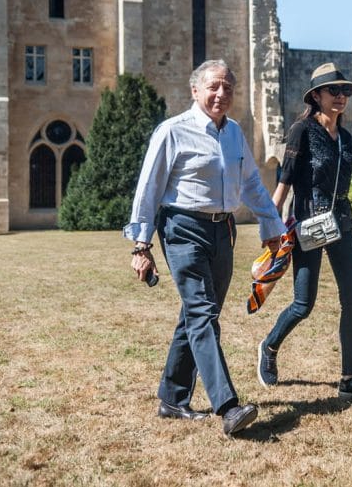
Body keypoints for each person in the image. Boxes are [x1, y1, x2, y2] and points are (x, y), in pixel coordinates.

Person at [124, 59, 287, 435]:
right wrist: (140, 245)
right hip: (182, 227)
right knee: (201, 311)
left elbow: (251, 185)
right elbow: (148, 188)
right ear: (195, 90)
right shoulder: (172, 131)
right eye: (214, 86)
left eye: (228, 87)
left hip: (223, 230)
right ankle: (228, 407)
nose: (221, 93)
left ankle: (172, 398)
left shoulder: (234, 134)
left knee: (200, 315)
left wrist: (271, 224)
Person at [256, 62, 352, 403]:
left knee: (351, 300)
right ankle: (269, 346)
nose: (341, 97)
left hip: (341, 220)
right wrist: (271, 225)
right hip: (308, 224)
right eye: (334, 91)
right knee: (303, 304)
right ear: (316, 95)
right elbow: (283, 184)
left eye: (345, 91)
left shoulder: (346, 136)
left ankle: (350, 378)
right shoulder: (301, 130)